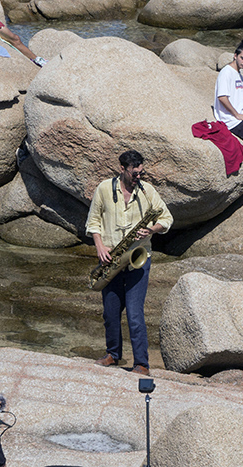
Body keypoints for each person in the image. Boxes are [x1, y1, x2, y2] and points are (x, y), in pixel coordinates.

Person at [86, 150, 173, 376]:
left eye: (140, 173)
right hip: (112, 258)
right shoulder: (104, 189)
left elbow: (167, 218)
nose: (138, 178)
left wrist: (152, 228)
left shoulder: (147, 191)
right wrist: (100, 247)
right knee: (110, 312)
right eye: (134, 174)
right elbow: (93, 221)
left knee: (135, 314)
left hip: (138, 259)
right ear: (122, 169)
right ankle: (112, 354)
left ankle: (141, 363)